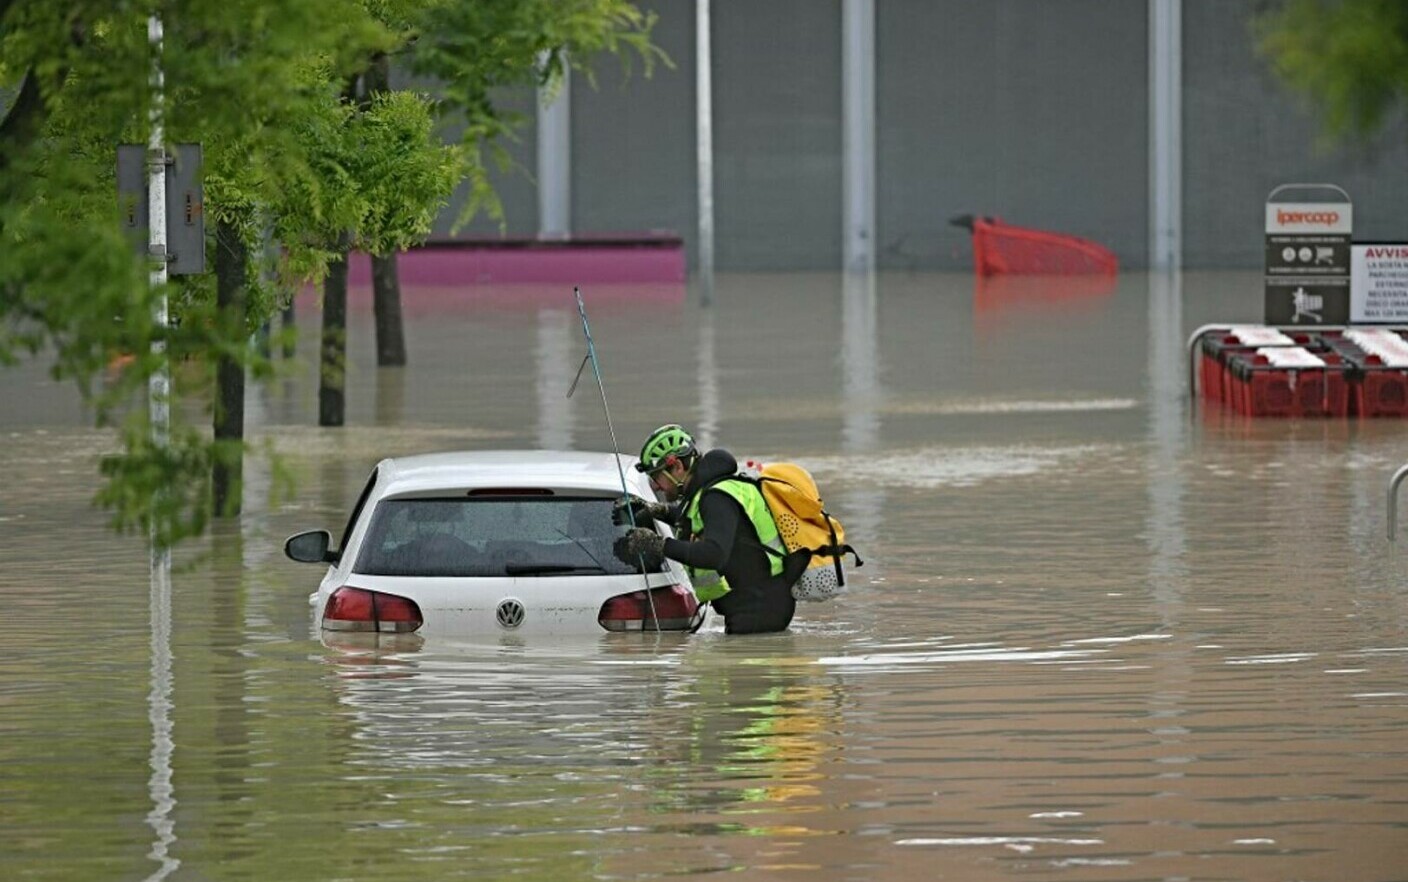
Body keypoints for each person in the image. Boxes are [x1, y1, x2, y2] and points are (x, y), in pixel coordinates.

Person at [611, 424, 799, 635]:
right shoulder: (713, 491)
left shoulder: (716, 497)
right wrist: (660, 511)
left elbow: (714, 554)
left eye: (657, 477)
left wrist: (659, 545)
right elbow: (699, 521)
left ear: (677, 467)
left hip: (758, 609)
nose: (655, 486)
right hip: (760, 603)